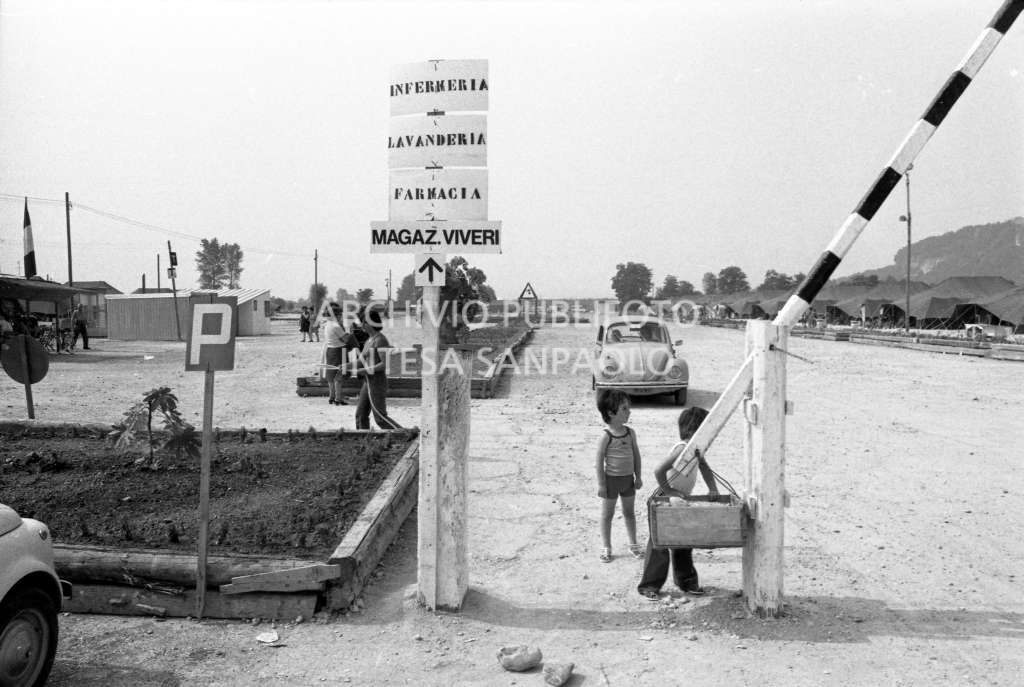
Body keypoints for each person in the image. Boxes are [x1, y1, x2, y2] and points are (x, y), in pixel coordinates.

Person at [637, 406, 719, 599]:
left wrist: (713, 489)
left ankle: (686, 582)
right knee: (660, 543)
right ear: (695, 430)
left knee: (684, 541)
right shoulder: (683, 448)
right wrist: (670, 491)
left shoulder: (696, 450)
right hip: (663, 499)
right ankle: (650, 585)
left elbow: (705, 469)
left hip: (679, 501)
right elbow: (659, 470)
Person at [595, 390, 644, 563]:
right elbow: (599, 462)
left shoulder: (630, 433)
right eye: (624, 409)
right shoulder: (606, 436)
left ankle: (633, 544)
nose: (629, 412)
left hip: (628, 481)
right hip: (611, 482)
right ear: (610, 412)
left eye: (628, 408)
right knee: (607, 515)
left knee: (629, 513)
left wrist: (638, 477)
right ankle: (607, 547)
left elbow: (636, 455)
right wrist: (601, 484)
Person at [353, 308, 402, 430]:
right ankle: (364, 441)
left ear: (370, 324)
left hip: (377, 383)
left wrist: (365, 370)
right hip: (368, 382)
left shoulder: (380, 340)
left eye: (363, 322)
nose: (361, 325)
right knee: (360, 415)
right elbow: (361, 361)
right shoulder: (369, 340)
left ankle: (406, 435)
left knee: (380, 418)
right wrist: (345, 366)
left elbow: (384, 365)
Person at [321, 303, 350, 406]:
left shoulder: (327, 324)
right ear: (337, 315)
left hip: (330, 350)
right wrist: (348, 331)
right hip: (339, 350)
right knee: (339, 375)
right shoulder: (336, 325)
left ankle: (331, 397)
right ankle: (338, 398)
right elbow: (345, 339)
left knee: (331, 375)